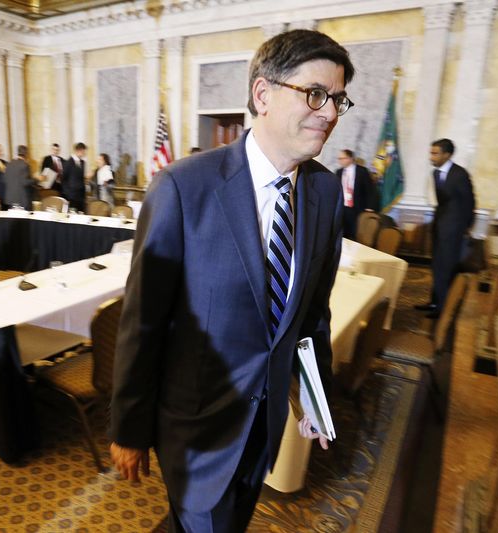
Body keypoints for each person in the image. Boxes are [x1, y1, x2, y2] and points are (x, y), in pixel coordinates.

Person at [110, 29, 355, 533]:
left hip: (265, 429)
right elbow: (143, 323)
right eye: (315, 94)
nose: (330, 113)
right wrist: (129, 428)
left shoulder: (326, 194)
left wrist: (313, 396)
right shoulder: (182, 186)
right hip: (196, 429)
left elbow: (312, 315)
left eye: (337, 99)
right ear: (263, 95)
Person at [415, 138, 475, 318]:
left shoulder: (460, 174)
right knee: (437, 267)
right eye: (431, 152)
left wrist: (463, 229)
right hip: (439, 227)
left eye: (435, 153)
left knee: (447, 268)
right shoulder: (435, 174)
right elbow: (443, 203)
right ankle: (434, 302)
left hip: (454, 231)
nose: (431, 156)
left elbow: (469, 203)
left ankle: (443, 308)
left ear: (447, 155)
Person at [335, 149, 374, 239]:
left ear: (350, 158)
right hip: (342, 207)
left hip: (356, 208)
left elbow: (370, 189)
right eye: (339, 158)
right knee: (341, 233)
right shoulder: (339, 172)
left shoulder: (362, 171)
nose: (340, 161)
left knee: (354, 234)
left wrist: (370, 206)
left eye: (343, 158)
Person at [3, 145, 39, 210]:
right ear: (26, 154)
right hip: (22, 200)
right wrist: (37, 179)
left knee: (13, 219)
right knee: (24, 219)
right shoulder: (25, 165)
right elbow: (25, 182)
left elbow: (4, 179)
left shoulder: (8, 164)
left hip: (10, 199)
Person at [62, 142, 87, 212]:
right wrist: (68, 195)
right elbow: (63, 179)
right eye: (83, 151)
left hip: (81, 196)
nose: (84, 153)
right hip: (71, 196)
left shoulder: (82, 162)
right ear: (78, 150)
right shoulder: (68, 163)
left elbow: (80, 178)